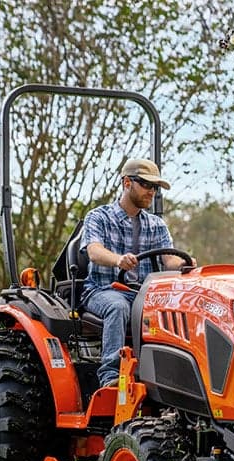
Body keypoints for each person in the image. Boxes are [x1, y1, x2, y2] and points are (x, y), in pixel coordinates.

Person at [80, 158, 188, 387]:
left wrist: (184, 263)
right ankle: (111, 376)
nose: (152, 192)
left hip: (143, 294)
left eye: (155, 187)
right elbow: (94, 251)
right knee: (118, 306)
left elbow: (169, 260)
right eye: (147, 185)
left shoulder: (156, 224)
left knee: (179, 308)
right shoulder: (99, 217)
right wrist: (118, 260)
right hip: (103, 290)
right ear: (127, 183)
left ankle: (171, 378)